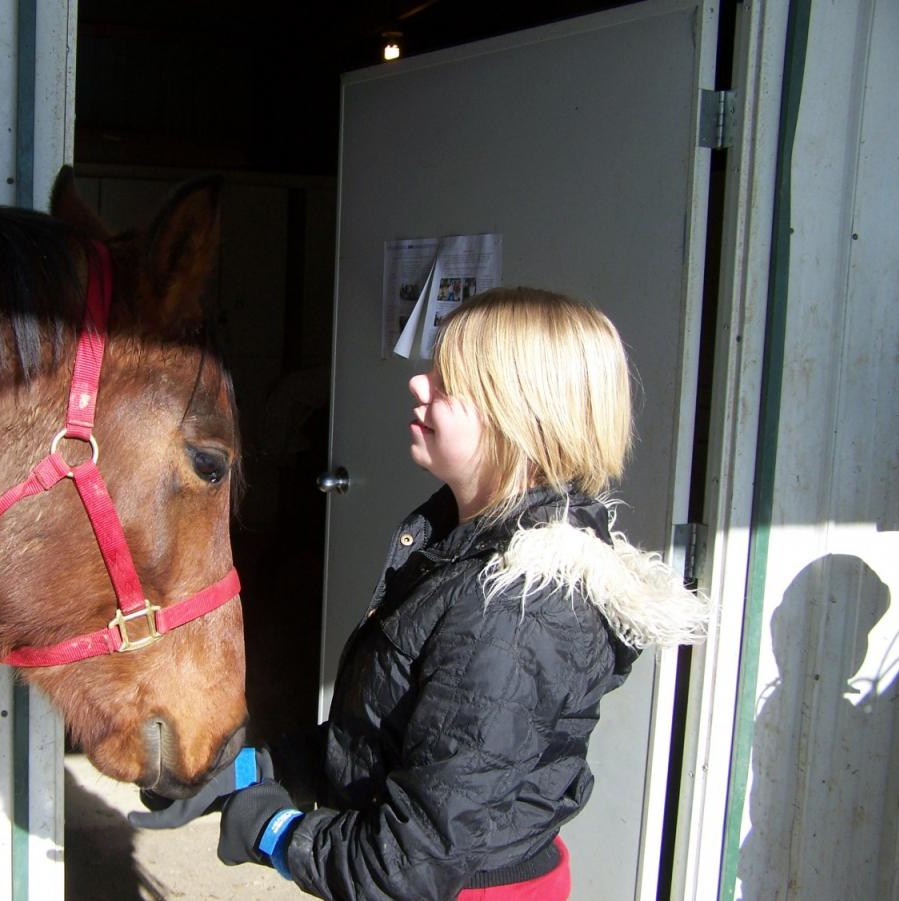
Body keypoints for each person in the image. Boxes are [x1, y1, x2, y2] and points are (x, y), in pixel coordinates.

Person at [130, 287, 711, 900]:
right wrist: (241, 773)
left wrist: (274, 831)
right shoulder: (457, 546)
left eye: (447, 381)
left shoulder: (515, 611)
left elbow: (406, 869)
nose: (418, 385)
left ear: (521, 417)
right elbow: (384, 740)